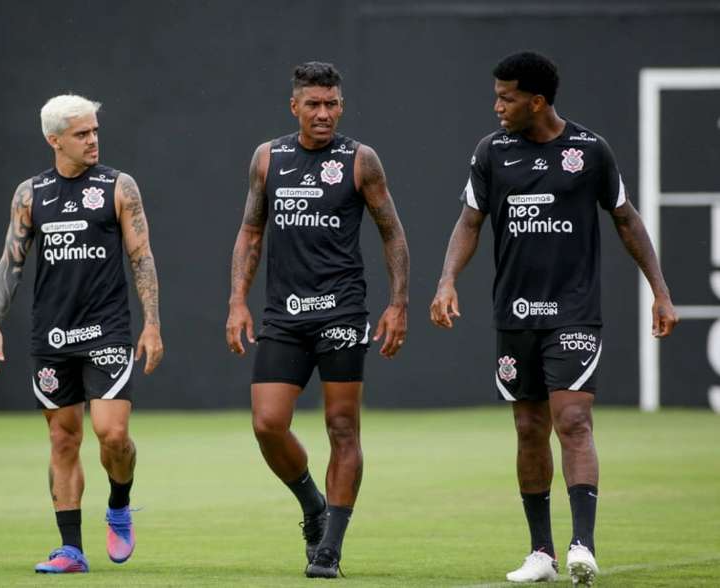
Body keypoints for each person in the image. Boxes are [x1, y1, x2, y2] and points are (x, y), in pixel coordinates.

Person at [430, 52, 677, 586]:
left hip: (573, 313)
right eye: (496, 95)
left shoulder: (589, 151)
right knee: (528, 428)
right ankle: (540, 552)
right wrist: (447, 280)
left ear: (537, 101)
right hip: (515, 315)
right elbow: (470, 222)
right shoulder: (491, 152)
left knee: (573, 421)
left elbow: (626, 219)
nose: (497, 106)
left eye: (508, 97)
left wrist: (659, 290)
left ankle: (582, 545)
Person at [226, 61, 409, 578]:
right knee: (267, 425)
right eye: (314, 104)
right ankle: (312, 505)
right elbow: (250, 231)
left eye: (332, 104)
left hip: (341, 310)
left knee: (342, 427)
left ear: (341, 106)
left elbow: (391, 232)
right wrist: (237, 300)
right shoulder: (268, 158)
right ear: (295, 107)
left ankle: (330, 547)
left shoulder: (360, 160)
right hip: (284, 314)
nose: (324, 113)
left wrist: (399, 304)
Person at [0, 94, 163, 574]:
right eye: (82, 134)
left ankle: (119, 505)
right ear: (53, 139)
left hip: (107, 330)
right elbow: (11, 261)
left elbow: (141, 258)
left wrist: (152, 324)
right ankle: (71, 550)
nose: (93, 140)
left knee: (112, 434)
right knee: (63, 440)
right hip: (52, 337)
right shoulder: (30, 194)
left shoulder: (119, 187)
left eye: (95, 131)